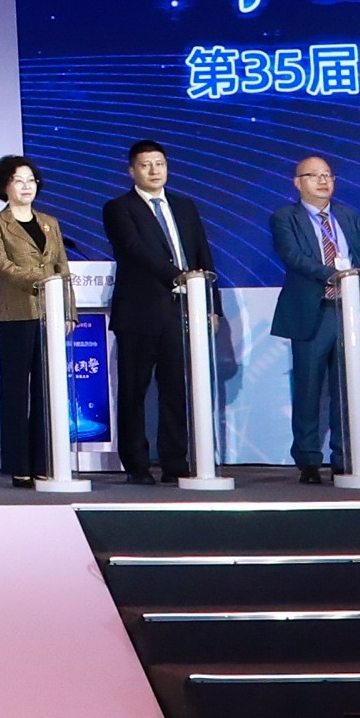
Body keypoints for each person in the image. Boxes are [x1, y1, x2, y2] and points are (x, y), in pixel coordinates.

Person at [99, 139, 212, 485]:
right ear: (132, 170)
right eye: (146, 165)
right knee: (134, 391)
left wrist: (210, 304)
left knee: (176, 390)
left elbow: (202, 254)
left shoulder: (185, 206)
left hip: (182, 311)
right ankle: (136, 464)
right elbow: (133, 249)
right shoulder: (119, 208)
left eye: (159, 164)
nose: (154, 170)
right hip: (139, 313)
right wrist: (178, 276)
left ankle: (175, 461)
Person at [267, 153, 360, 486]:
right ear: (297, 183)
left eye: (328, 175)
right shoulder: (285, 217)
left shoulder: (348, 216)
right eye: (314, 175)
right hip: (314, 311)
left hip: (349, 311)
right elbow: (293, 257)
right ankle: (308, 460)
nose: (323, 181)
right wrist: (334, 274)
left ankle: (345, 458)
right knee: (309, 389)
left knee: (348, 389)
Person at [0, 154, 65, 486]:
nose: (27, 187)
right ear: (5, 186)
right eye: (19, 181)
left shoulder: (49, 222)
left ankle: (43, 461)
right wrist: (40, 281)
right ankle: (19, 463)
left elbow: (62, 267)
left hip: (50, 315)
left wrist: (67, 311)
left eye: (31, 181)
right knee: (16, 391)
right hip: (16, 314)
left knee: (46, 390)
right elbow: (1, 265)